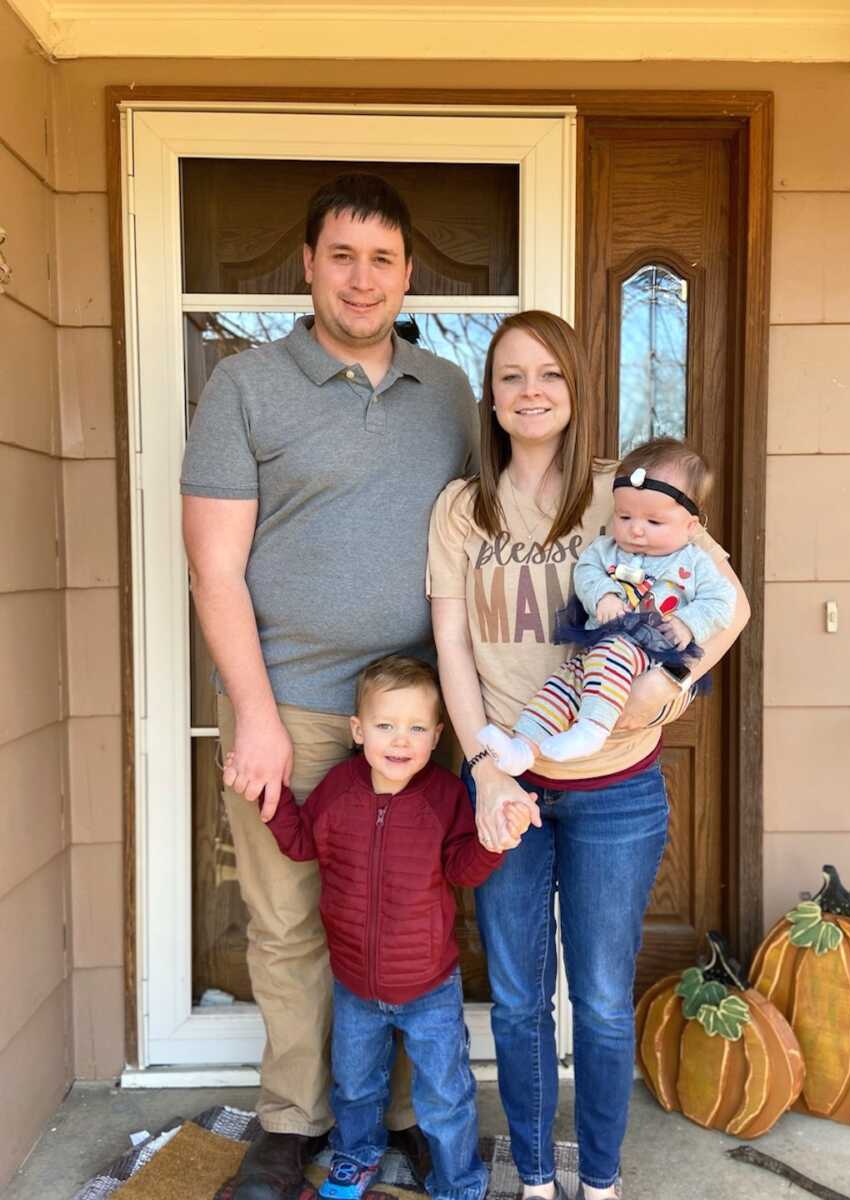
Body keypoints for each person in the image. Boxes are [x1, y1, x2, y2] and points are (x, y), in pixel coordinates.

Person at [181, 173, 479, 1200]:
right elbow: (214, 569)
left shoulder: (447, 392)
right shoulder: (247, 388)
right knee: (290, 923)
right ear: (307, 264)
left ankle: (397, 1117)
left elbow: (491, 537)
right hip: (294, 708)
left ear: (408, 275)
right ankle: (292, 1125)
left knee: (413, 914)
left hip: (421, 718)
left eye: (383, 260)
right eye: (342, 256)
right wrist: (253, 715)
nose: (362, 279)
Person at [427, 311, 749, 1200]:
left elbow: (730, 605)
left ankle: (599, 1181)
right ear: (489, 398)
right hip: (508, 783)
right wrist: (485, 767)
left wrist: (668, 689)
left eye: (550, 376)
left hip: (616, 793)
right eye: (511, 377)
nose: (531, 392)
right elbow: (451, 644)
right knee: (523, 1004)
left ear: (575, 389)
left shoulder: (629, 488)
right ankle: (535, 1176)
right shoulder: (462, 508)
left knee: (603, 1004)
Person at [254, 656, 501, 1200]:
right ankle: (357, 1155)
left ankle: (458, 1179)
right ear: (358, 730)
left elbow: (461, 868)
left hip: (429, 984)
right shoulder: (339, 790)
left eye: (416, 727)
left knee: (444, 1092)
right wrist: (269, 800)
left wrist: (493, 844)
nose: (400, 740)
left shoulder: (443, 797)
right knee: (356, 1086)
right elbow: (302, 845)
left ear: (437, 736)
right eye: (386, 725)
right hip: (355, 985)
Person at [478, 437, 736, 773]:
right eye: (625, 516)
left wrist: (687, 623)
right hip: (601, 654)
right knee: (564, 682)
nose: (636, 530)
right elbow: (586, 571)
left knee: (612, 650)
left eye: (654, 523)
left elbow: (723, 602)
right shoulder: (608, 549)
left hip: (654, 653)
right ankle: (523, 749)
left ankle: (591, 730)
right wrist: (603, 596)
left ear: (690, 527)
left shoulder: (695, 562)